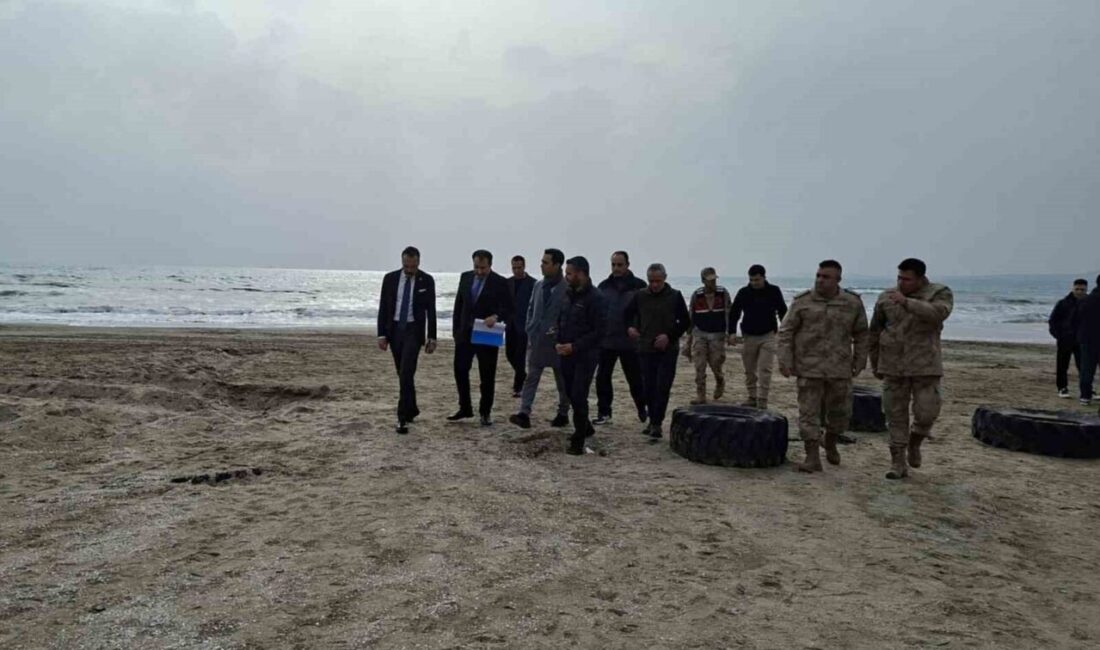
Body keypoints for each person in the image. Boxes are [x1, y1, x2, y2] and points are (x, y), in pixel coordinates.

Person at [778, 260, 868, 473]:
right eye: (818, 275)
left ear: (838, 280)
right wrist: (785, 359)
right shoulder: (802, 301)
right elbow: (786, 332)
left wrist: (860, 359)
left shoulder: (852, 303)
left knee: (840, 413)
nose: (820, 280)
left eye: (826, 277)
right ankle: (812, 457)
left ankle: (830, 441)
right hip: (809, 367)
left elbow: (862, 333)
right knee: (809, 413)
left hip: (840, 368)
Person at [869, 258, 953, 479]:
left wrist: (906, 302)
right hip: (893, 366)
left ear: (921, 279)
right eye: (899, 277)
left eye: (906, 279)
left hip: (925, 366)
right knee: (894, 415)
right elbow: (875, 331)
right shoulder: (886, 297)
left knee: (927, 413)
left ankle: (915, 441)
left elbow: (938, 314)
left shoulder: (939, 293)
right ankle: (898, 462)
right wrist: (875, 361)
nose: (901, 282)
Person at [624, 263, 690, 440]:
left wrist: (669, 336)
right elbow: (627, 315)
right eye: (651, 281)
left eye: (658, 281)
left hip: (667, 350)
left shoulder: (675, 296)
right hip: (645, 348)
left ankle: (656, 423)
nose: (654, 285)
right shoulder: (640, 295)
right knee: (648, 387)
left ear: (665, 278)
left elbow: (685, 321)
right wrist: (630, 328)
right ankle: (652, 420)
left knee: (662, 387)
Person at [376, 246, 437, 434]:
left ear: (418, 262)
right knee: (403, 373)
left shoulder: (426, 280)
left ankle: (402, 418)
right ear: (402, 262)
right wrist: (381, 334)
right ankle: (412, 409)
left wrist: (432, 337)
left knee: (406, 372)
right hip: (394, 330)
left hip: (414, 330)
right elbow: (383, 307)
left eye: (413, 266)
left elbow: (431, 310)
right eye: (406, 266)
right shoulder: (390, 279)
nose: (409, 269)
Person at [450, 249, 514, 427]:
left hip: (487, 333)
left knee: (487, 375)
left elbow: (509, 309)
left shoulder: (500, 282)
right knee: (460, 370)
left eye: (483, 268)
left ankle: (485, 412)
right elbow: (459, 305)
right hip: (465, 333)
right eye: (476, 267)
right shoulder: (465, 277)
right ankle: (465, 407)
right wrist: (456, 330)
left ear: (490, 265)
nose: (479, 271)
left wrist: (496, 317)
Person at [509, 249, 572, 430]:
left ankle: (563, 413)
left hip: (558, 343)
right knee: (531, 378)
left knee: (562, 381)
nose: (542, 265)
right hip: (536, 340)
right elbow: (531, 308)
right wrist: (530, 328)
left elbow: (571, 314)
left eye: (546, 262)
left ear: (557, 265)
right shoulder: (538, 285)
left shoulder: (567, 288)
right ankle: (524, 413)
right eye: (542, 262)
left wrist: (561, 334)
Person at [556, 256, 608, 454]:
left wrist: (575, 346)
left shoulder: (596, 298)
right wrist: (558, 341)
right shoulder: (568, 295)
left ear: (580, 273)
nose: (566, 277)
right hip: (566, 352)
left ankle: (578, 440)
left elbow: (599, 331)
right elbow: (562, 319)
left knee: (579, 394)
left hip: (586, 355)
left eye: (569, 273)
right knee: (569, 393)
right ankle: (586, 427)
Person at [594, 251, 648, 426]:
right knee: (602, 377)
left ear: (627, 265)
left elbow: (645, 313)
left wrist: (637, 329)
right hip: (607, 340)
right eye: (613, 264)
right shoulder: (604, 286)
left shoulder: (639, 286)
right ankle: (604, 413)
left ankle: (642, 409)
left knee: (635, 379)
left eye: (620, 264)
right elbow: (598, 312)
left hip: (630, 342)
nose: (616, 268)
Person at [729, 264, 788, 409]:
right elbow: (734, 313)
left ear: (763, 277)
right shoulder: (743, 292)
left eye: (757, 280)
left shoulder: (774, 291)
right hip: (749, 336)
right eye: (751, 280)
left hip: (768, 335)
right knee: (749, 370)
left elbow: (783, 312)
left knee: (765, 369)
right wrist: (731, 332)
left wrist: (786, 332)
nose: (754, 283)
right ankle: (752, 397)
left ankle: (762, 400)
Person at [684, 267, 733, 404]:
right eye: (709, 281)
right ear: (703, 280)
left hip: (717, 334)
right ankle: (701, 394)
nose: (712, 283)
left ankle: (719, 379)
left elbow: (729, 312)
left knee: (716, 362)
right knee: (699, 365)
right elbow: (691, 315)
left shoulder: (722, 293)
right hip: (700, 333)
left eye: (714, 280)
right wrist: (688, 339)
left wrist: (730, 332)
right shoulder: (697, 294)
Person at [1048, 279, 1088, 398]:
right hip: (1065, 339)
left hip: (1083, 340)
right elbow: (1053, 320)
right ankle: (1062, 388)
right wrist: (1058, 335)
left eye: (1082, 289)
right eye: (1077, 289)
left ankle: (1087, 390)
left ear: (1086, 289)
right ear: (1073, 288)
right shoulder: (1063, 303)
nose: (1079, 292)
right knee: (1062, 365)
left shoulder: (1090, 302)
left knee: (1084, 367)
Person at [505, 255, 536, 398]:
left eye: (519, 267)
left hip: (525, 325)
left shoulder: (532, 284)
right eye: (514, 268)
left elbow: (536, 306)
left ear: (524, 266)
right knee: (509, 354)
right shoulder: (507, 283)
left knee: (519, 355)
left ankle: (518, 387)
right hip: (509, 324)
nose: (516, 270)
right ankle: (522, 374)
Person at [1078, 274, 1100, 406]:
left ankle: (1085, 396)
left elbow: (1077, 319)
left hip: (1087, 339)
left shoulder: (1086, 299)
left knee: (1086, 369)